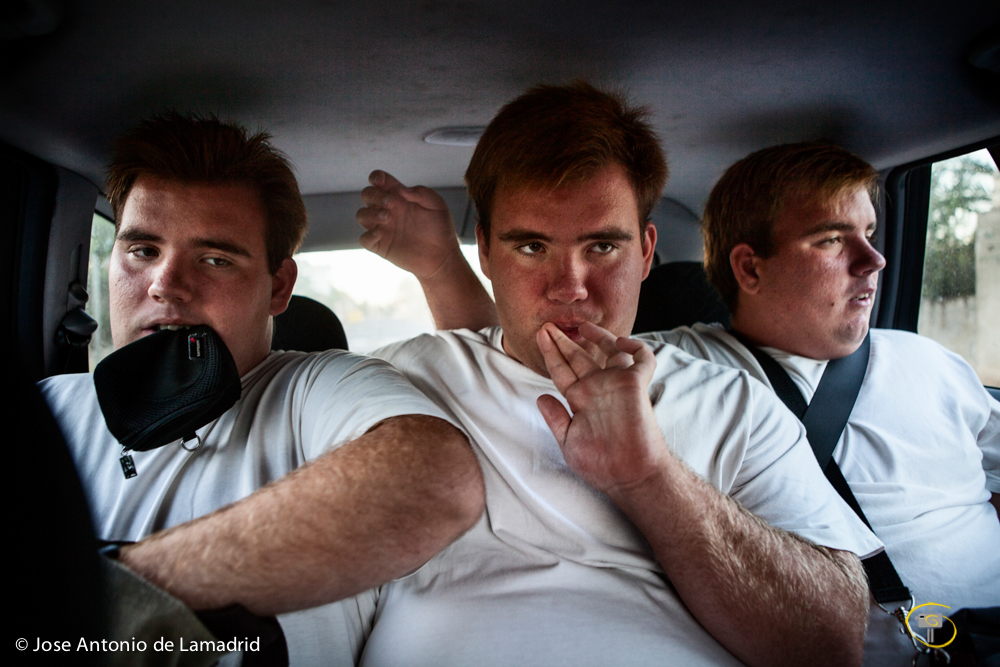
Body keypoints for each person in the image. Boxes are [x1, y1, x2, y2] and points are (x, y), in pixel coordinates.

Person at [362, 137, 1000, 664]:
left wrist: (648, 475)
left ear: (642, 253)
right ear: (748, 268)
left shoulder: (928, 364)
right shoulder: (657, 362)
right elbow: (502, 351)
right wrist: (442, 268)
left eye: (602, 246)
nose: (875, 260)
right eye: (832, 239)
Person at [38, 113, 485, 666]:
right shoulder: (50, 406)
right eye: (143, 250)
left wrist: (114, 599)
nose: (164, 284)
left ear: (278, 287)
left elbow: (435, 478)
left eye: (215, 259)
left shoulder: (318, 386)